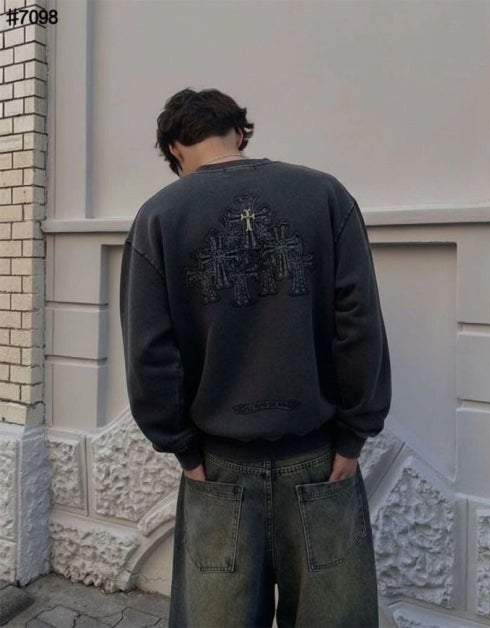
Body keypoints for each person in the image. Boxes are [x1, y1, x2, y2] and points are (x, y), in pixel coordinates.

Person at [119, 87, 391, 628]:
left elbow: (150, 352)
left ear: (174, 148)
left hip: (217, 466)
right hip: (320, 460)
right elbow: (358, 325)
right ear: (240, 133)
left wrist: (182, 448)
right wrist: (353, 435)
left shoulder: (160, 216)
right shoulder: (325, 196)